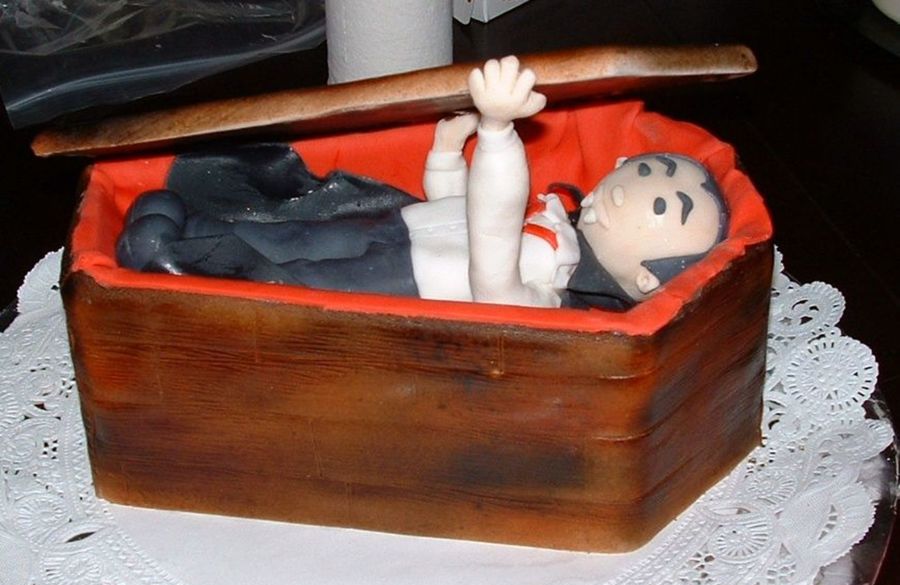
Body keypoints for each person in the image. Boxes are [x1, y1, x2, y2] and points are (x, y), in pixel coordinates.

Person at [118, 56, 728, 311]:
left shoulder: (550, 295)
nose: (635, 181)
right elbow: (464, 210)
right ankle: (199, 226)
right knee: (297, 236)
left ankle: (178, 271)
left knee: (297, 283)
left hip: (407, 281)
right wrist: (446, 154)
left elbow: (491, 255)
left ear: (647, 279)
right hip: (401, 224)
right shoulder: (553, 221)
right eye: (648, 166)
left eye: (662, 202)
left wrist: (499, 136)